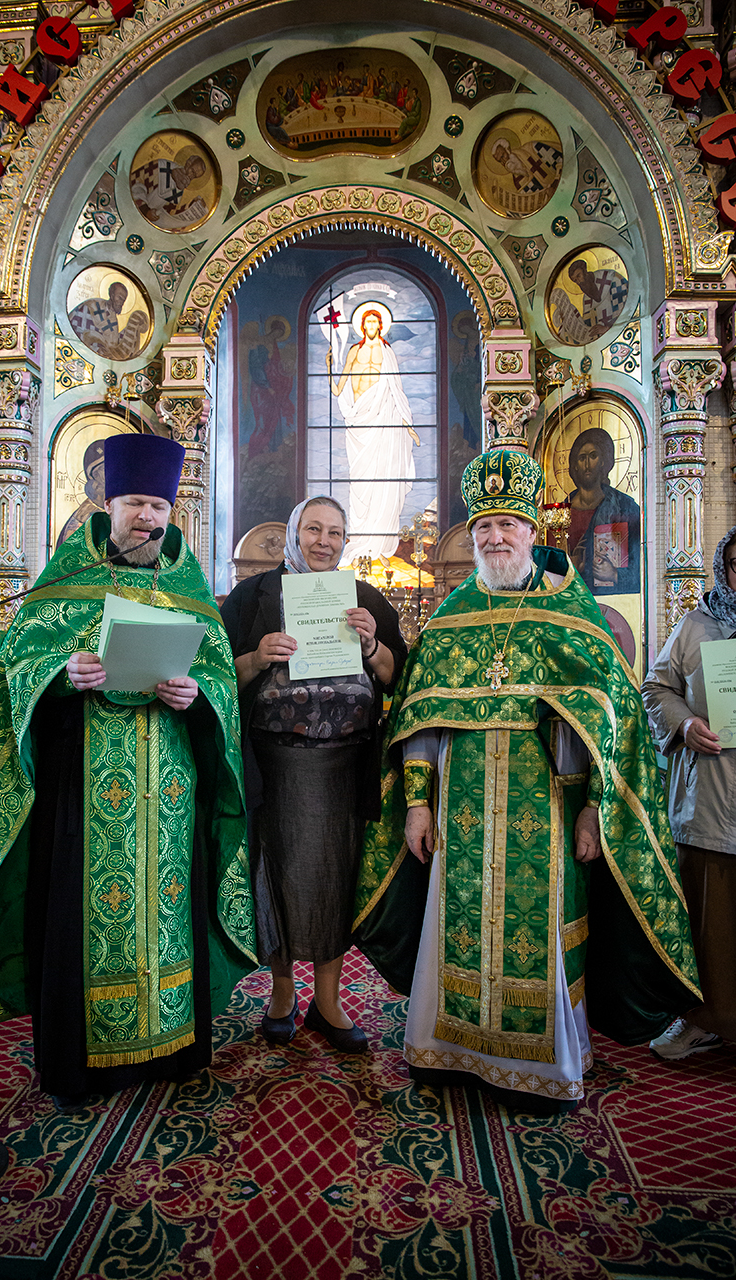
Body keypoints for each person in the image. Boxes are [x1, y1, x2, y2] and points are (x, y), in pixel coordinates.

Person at [354, 449, 700, 1111]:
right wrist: (418, 804)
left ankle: (543, 1067)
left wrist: (595, 809)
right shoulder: (453, 615)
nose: (494, 538)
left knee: (540, 935)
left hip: (546, 809)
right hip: (459, 808)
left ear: (530, 531)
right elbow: (421, 717)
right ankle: (448, 1050)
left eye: (506, 525)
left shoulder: (571, 611)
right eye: (483, 527)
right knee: (454, 922)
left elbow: (610, 725)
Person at [0, 433, 255, 1111]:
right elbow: (16, 671)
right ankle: (79, 1061)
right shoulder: (62, 583)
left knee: (171, 910)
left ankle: (173, 1046)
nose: (147, 517)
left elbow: (217, 680)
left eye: (159, 506)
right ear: (108, 504)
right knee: (82, 916)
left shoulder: (188, 589)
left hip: (171, 790)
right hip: (83, 790)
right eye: (135, 503)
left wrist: (197, 694)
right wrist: (62, 673)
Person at [220, 496, 407, 1053]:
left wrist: (371, 645)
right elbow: (216, 674)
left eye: (335, 532)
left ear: (345, 541)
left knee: (336, 877)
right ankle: (282, 995)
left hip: (345, 764)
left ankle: (328, 1001)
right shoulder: (252, 597)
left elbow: (397, 674)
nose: (324, 541)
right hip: (276, 763)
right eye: (314, 530)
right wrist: (257, 657)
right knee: (275, 874)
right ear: (293, 534)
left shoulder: (366, 597)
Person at [641, 526, 736, 1061]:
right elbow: (656, 687)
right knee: (708, 919)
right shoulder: (697, 625)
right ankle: (703, 1019)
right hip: (710, 797)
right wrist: (684, 724)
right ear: (725, 568)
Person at [326, 308, 419, 564]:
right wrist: (329, 369)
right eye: (366, 322)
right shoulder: (354, 351)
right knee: (360, 481)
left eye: (373, 322)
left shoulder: (387, 352)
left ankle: (377, 548)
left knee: (382, 479)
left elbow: (396, 390)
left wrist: (407, 425)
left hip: (382, 418)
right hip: (358, 419)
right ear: (362, 326)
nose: (369, 326)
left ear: (379, 325)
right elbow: (339, 388)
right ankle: (359, 544)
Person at [560, 426, 640, 595]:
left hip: (613, 601)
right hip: (570, 599)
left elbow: (643, 563)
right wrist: (568, 568)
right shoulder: (559, 513)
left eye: (593, 456)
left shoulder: (625, 507)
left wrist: (615, 574)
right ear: (575, 465)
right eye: (582, 458)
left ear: (603, 461)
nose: (587, 464)